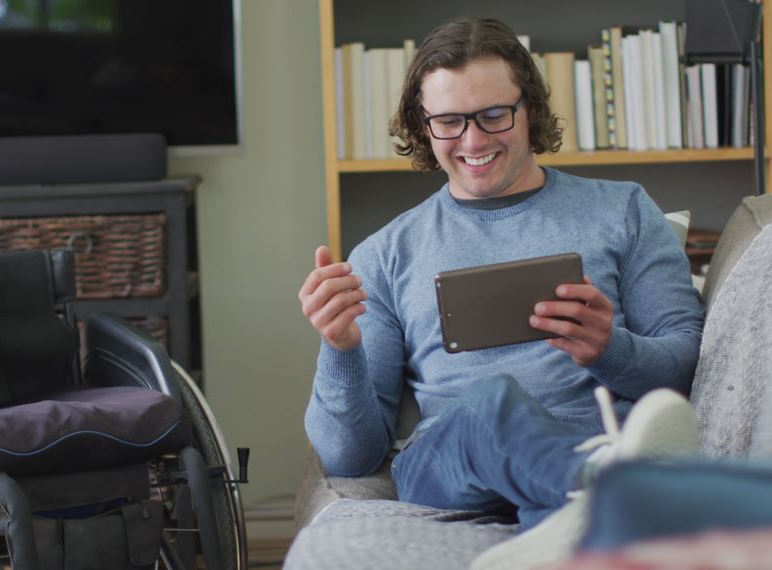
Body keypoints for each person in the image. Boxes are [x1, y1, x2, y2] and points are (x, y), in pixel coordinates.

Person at [297, 15, 704, 560]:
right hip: (449, 462)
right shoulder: (387, 253)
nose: (473, 140)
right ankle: (599, 494)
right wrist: (340, 350)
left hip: (598, 437)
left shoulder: (623, 210)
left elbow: (685, 364)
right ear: (424, 126)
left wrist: (611, 350)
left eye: (493, 115)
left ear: (528, 108)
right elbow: (348, 458)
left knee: (555, 491)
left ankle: (563, 516)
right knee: (490, 403)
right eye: (449, 121)